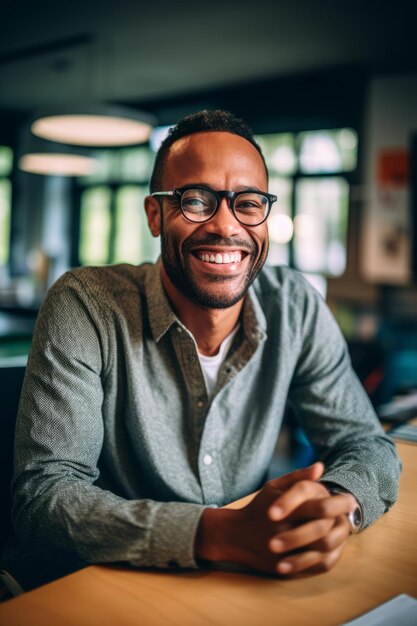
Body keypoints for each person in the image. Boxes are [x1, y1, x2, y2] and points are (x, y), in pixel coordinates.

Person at [7, 110, 400, 590]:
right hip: (110, 583)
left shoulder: (294, 305)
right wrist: (219, 533)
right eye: (196, 200)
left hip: (242, 584)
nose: (225, 226)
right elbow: (43, 500)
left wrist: (339, 507)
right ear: (156, 215)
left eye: (249, 204)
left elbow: (366, 444)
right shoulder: (86, 304)